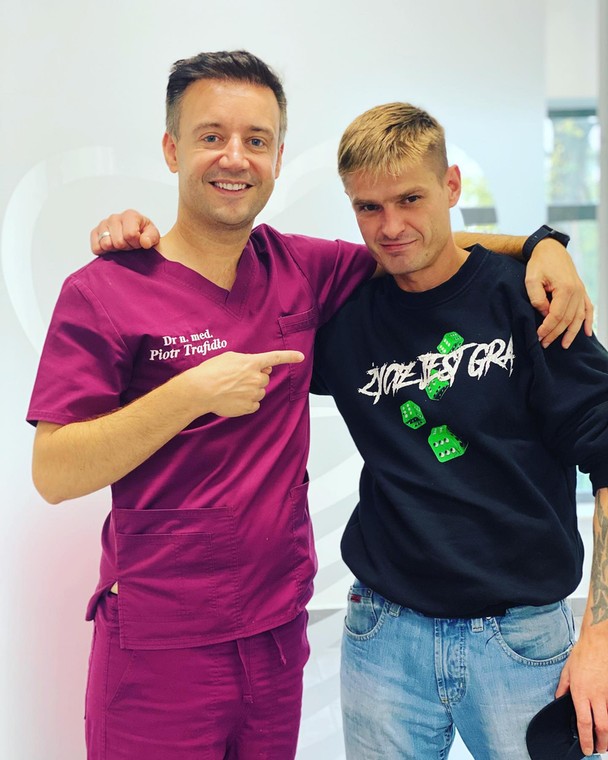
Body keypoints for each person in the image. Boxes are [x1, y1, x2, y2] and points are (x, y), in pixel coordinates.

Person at [29, 50, 589, 760]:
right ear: (171, 149)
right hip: (161, 644)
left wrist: (542, 245)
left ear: (277, 158)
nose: (235, 157)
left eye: (256, 139)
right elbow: (54, 472)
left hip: (276, 635)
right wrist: (190, 393)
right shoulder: (104, 291)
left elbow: (420, 247)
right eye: (211, 136)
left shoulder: (300, 268)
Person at [310, 102, 608, 759]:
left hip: (522, 643)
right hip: (383, 637)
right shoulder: (344, 319)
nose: (391, 227)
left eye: (410, 199)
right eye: (368, 207)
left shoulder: (532, 303)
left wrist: (602, 637)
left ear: (451, 186)